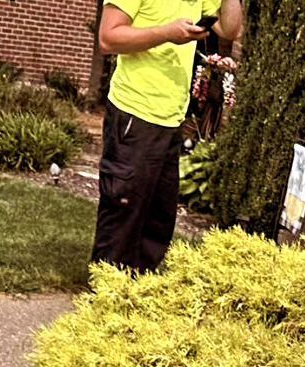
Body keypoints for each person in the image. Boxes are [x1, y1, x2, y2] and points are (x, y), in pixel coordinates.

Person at [92, 0, 243, 274]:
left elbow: (230, 29)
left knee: (156, 225)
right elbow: (108, 37)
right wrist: (166, 33)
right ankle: (102, 301)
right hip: (134, 114)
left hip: (171, 119)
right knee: (123, 218)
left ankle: (137, 297)